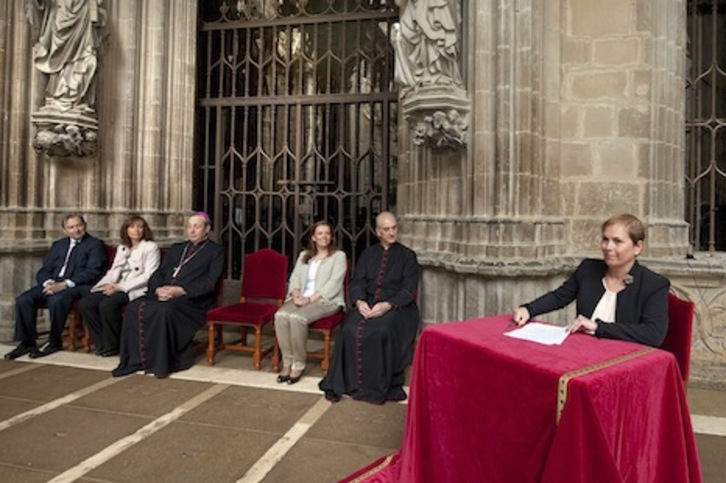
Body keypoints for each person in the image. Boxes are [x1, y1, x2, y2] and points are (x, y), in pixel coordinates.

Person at [512, 214, 670, 347]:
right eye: (605, 239)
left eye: (617, 241)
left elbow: (653, 334)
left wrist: (597, 327)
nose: (608, 247)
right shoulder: (588, 269)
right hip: (584, 352)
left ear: (637, 247)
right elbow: (559, 297)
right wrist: (529, 309)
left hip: (625, 360)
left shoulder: (653, 284)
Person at [319, 212, 420, 404]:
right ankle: (349, 382)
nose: (391, 232)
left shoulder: (408, 256)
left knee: (382, 329)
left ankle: (377, 386)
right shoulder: (367, 254)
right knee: (349, 328)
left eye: (394, 228)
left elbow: (408, 290)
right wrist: (359, 302)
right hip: (368, 302)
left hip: (398, 308)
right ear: (378, 232)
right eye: (386, 229)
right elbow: (357, 282)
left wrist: (386, 305)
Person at [111, 213, 224, 378]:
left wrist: (180, 290)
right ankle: (134, 360)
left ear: (207, 229)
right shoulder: (178, 248)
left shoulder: (216, 251)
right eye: (189, 226)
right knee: (135, 307)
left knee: (165, 310)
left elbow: (210, 282)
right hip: (164, 293)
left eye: (197, 226)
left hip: (193, 299)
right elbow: (159, 273)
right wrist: (158, 289)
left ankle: (162, 363)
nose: (192, 230)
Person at [4, 213, 106, 360]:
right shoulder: (59, 245)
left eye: (79, 225)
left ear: (85, 226)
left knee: (56, 300)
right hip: (54, 282)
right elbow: (45, 270)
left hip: (79, 285)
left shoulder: (95, 244)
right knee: (24, 300)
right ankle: (27, 342)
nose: (76, 230)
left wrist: (64, 285)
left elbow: (92, 271)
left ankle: (54, 341)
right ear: (65, 230)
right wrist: (49, 282)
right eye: (71, 227)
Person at [275, 221, 347, 385]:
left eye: (327, 233)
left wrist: (308, 299)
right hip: (302, 297)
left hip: (326, 300)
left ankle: (298, 364)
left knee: (297, 318)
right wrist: (296, 294)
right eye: (320, 233)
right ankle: (287, 363)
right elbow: (294, 278)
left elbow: (333, 284)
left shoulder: (338, 256)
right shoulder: (304, 255)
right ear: (313, 237)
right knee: (281, 315)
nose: (324, 236)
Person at [78, 215, 160, 357]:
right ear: (126, 230)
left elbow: (148, 276)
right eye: (132, 227)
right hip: (115, 285)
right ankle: (101, 342)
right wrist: (103, 286)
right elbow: (114, 270)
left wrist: (119, 287)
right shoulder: (122, 247)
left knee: (107, 305)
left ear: (144, 229)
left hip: (134, 288)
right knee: (86, 303)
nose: (136, 230)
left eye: (140, 226)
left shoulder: (150, 247)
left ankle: (113, 345)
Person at [26, 0, 107, 114]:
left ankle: (76, 100)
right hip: (61, 14)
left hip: (82, 16)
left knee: (87, 59)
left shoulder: (87, 6)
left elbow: (99, 20)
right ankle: (57, 97)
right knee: (59, 59)